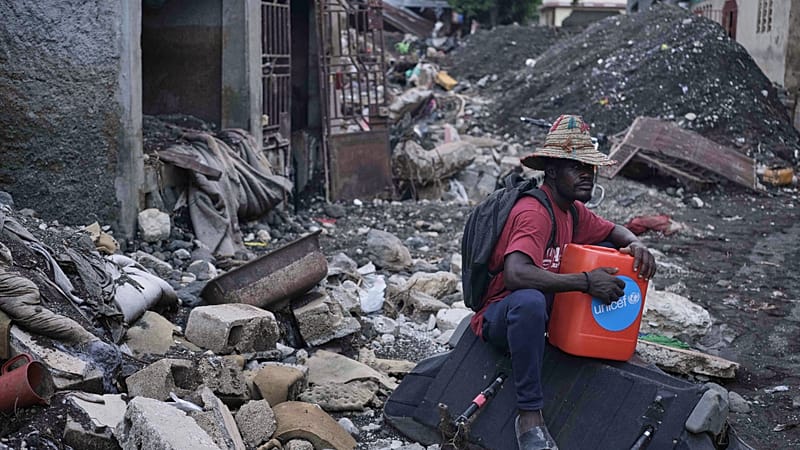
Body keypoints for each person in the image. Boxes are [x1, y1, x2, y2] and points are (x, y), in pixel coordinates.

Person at [468, 114, 657, 450]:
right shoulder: (534, 213)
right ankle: (529, 415)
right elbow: (516, 274)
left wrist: (637, 244)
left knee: (603, 252)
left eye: (590, 167)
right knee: (530, 300)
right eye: (577, 167)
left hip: (539, 314)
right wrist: (586, 282)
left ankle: (601, 343)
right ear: (552, 171)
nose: (587, 174)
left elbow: (614, 231)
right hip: (502, 316)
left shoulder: (571, 210)